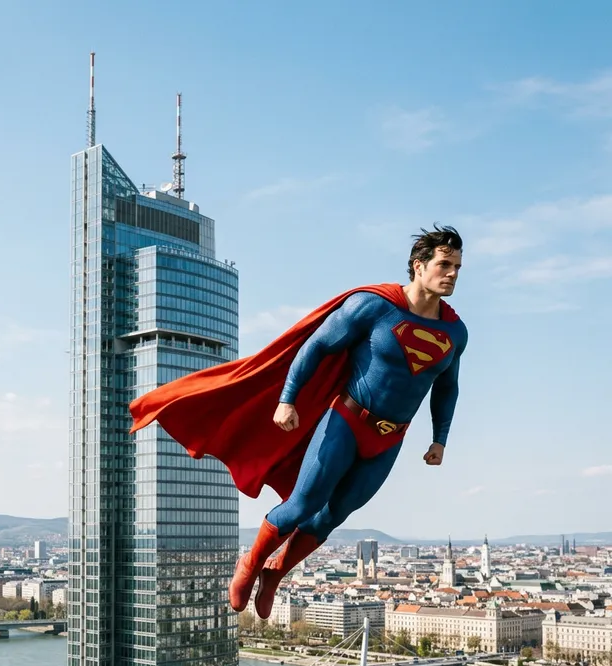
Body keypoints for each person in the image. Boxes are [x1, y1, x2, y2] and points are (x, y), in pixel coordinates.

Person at [129, 224, 468, 620]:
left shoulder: (455, 331)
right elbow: (317, 345)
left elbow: (447, 387)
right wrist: (287, 399)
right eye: (445, 264)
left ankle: (276, 573)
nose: (452, 274)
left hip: (390, 439)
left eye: (458, 267)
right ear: (418, 266)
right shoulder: (374, 306)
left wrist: (439, 438)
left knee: (335, 513)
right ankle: (251, 563)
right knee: (303, 504)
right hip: (347, 419)